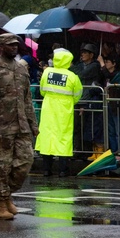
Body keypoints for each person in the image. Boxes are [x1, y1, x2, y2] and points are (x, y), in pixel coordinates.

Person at [0, 32, 37, 221]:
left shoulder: (21, 69)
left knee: (25, 161)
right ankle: (1, 203)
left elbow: (27, 99)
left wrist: (33, 124)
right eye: (10, 45)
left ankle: (6, 194)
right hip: (1, 126)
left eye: (16, 45)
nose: (14, 48)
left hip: (21, 125)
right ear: (1, 47)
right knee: (2, 166)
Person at [35, 48, 82, 177]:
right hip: (64, 110)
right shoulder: (72, 76)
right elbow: (78, 94)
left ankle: (46, 169)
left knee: (47, 137)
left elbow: (42, 90)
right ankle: (62, 170)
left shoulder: (47, 72)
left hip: (48, 108)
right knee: (63, 138)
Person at [70, 43, 105, 159]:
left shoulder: (95, 66)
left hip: (88, 100)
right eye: (82, 52)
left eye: (86, 52)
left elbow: (81, 74)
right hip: (78, 98)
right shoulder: (80, 65)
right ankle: (78, 150)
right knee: (77, 126)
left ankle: (87, 151)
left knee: (88, 127)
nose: (83, 54)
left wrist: (72, 67)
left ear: (91, 55)